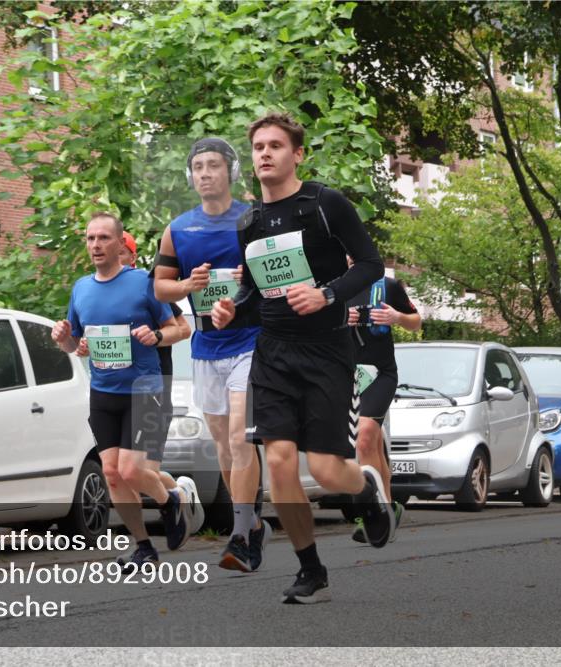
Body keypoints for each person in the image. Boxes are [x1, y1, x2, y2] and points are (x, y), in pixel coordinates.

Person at [211, 113, 395, 604]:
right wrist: (233, 309)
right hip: (272, 353)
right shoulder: (248, 222)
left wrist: (328, 295)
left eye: (275, 145)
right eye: (257, 147)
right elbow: (256, 293)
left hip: (328, 351)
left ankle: (366, 488)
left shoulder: (324, 204)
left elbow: (372, 265)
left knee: (330, 471)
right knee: (278, 461)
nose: (264, 154)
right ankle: (310, 569)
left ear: (297, 154)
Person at [153, 137, 270, 572]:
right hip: (206, 348)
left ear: (231, 172)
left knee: (240, 436)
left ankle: (240, 534)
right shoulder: (179, 228)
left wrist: (251, 274)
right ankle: (254, 523)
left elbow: (281, 268)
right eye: (198, 167)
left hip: (251, 341)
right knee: (223, 445)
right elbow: (159, 286)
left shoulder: (254, 217)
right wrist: (188, 286)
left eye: (213, 166)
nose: (205, 173)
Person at [52, 212, 189, 571]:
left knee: (131, 471)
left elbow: (179, 329)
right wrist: (66, 339)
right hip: (103, 392)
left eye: (103, 238)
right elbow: (75, 344)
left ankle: (170, 500)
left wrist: (157, 336)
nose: (95, 245)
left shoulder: (143, 282)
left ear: (118, 243)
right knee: (111, 473)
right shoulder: (82, 288)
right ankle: (143, 545)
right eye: (90, 238)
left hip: (145, 389)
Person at [346, 260, 422, 543]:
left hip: (381, 374)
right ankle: (388, 509)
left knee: (365, 437)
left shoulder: (387, 287)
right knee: (372, 442)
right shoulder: (333, 290)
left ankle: (372, 513)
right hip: (347, 375)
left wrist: (396, 318)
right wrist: (341, 319)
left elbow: (416, 322)